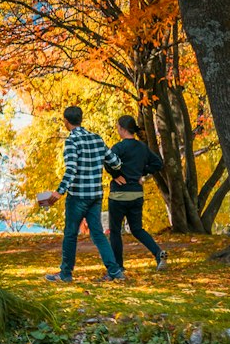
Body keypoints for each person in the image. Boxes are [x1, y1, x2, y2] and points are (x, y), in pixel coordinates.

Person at [35, 105, 125, 282]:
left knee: (70, 234)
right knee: (98, 234)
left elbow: (71, 169)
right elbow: (115, 162)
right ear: (81, 119)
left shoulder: (72, 141)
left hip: (77, 197)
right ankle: (115, 271)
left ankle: (66, 274)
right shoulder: (97, 138)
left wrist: (59, 192)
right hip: (95, 195)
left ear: (66, 121)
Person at [108, 115, 169, 269]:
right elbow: (158, 163)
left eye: (118, 127)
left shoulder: (119, 148)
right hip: (136, 194)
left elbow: (107, 161)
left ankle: (118, 267)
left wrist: (116, 175)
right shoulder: (142, 147)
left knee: (115, 231)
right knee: (137, 229)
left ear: (122, 129)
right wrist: (142, 172)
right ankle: (158, 253)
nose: (117, 130)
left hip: (119, 195)